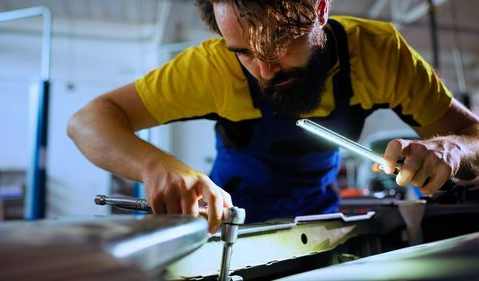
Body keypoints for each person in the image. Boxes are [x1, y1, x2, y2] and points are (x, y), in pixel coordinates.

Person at [67, 0, 479, 233]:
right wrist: (156, 166)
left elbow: (471, 133)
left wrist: (453, 148)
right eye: (243, 51)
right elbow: (87, 121)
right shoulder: (211, 68)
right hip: (227, 230)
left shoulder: (380, 53)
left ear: (319, 8)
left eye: (279, 43)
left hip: (321, 225)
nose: (264, 70)